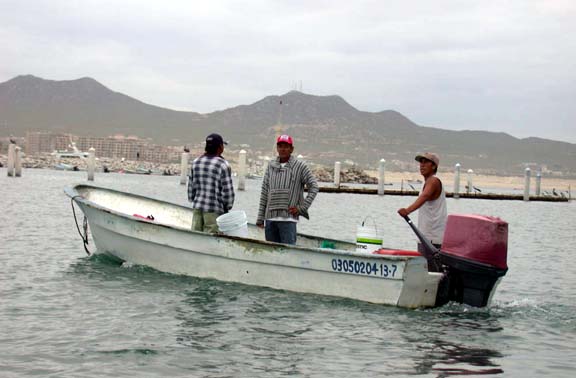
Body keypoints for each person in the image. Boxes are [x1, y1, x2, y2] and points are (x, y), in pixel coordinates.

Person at [256, 135, 319, 245]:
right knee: (272, 255)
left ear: (291, 149)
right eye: (280, 146)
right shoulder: (271, 166)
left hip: (288, 220)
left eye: (286, 146)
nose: (283, 149)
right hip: (270, 220)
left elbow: (314, 187)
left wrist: (301, 208)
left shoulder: (300, 166)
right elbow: (264, 192)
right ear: (277, 148)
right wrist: (260, 218)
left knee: (288, 253)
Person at [397, 152, 447, 271]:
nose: (422, 165)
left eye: (426, 162)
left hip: (432, 240)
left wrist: (407, 210)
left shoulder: (433, 181)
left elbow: (424, 196)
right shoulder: (427, 182)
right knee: (427, 272)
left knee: (431, 273)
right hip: (425, 237)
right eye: (421, 162)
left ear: (434, 166)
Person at [188, 133, 235, 233]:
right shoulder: (222, 165)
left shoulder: (196, 162)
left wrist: (194, 200)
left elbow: (191, 190)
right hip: (214, 211)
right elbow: (228, 194)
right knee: (210, 242)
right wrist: (227, 206)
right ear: (220, 147)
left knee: (196, 238)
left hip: (197, 208)